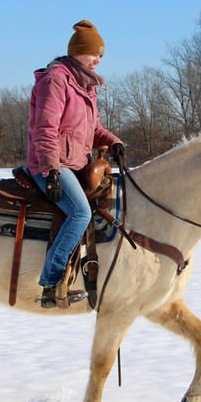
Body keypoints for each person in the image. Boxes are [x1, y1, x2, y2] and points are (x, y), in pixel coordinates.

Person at [27, 19, 125, 309]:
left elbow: (93, 129)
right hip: (53, 165)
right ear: (77, 52)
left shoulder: (86, 86)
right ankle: (51, 281)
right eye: (94, 53)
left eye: (101, 56)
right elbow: (44, 128)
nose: (97, 60)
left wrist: (115, 141)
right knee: (80, 213)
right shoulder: (56, 79)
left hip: (77, 163)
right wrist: (52, 170)